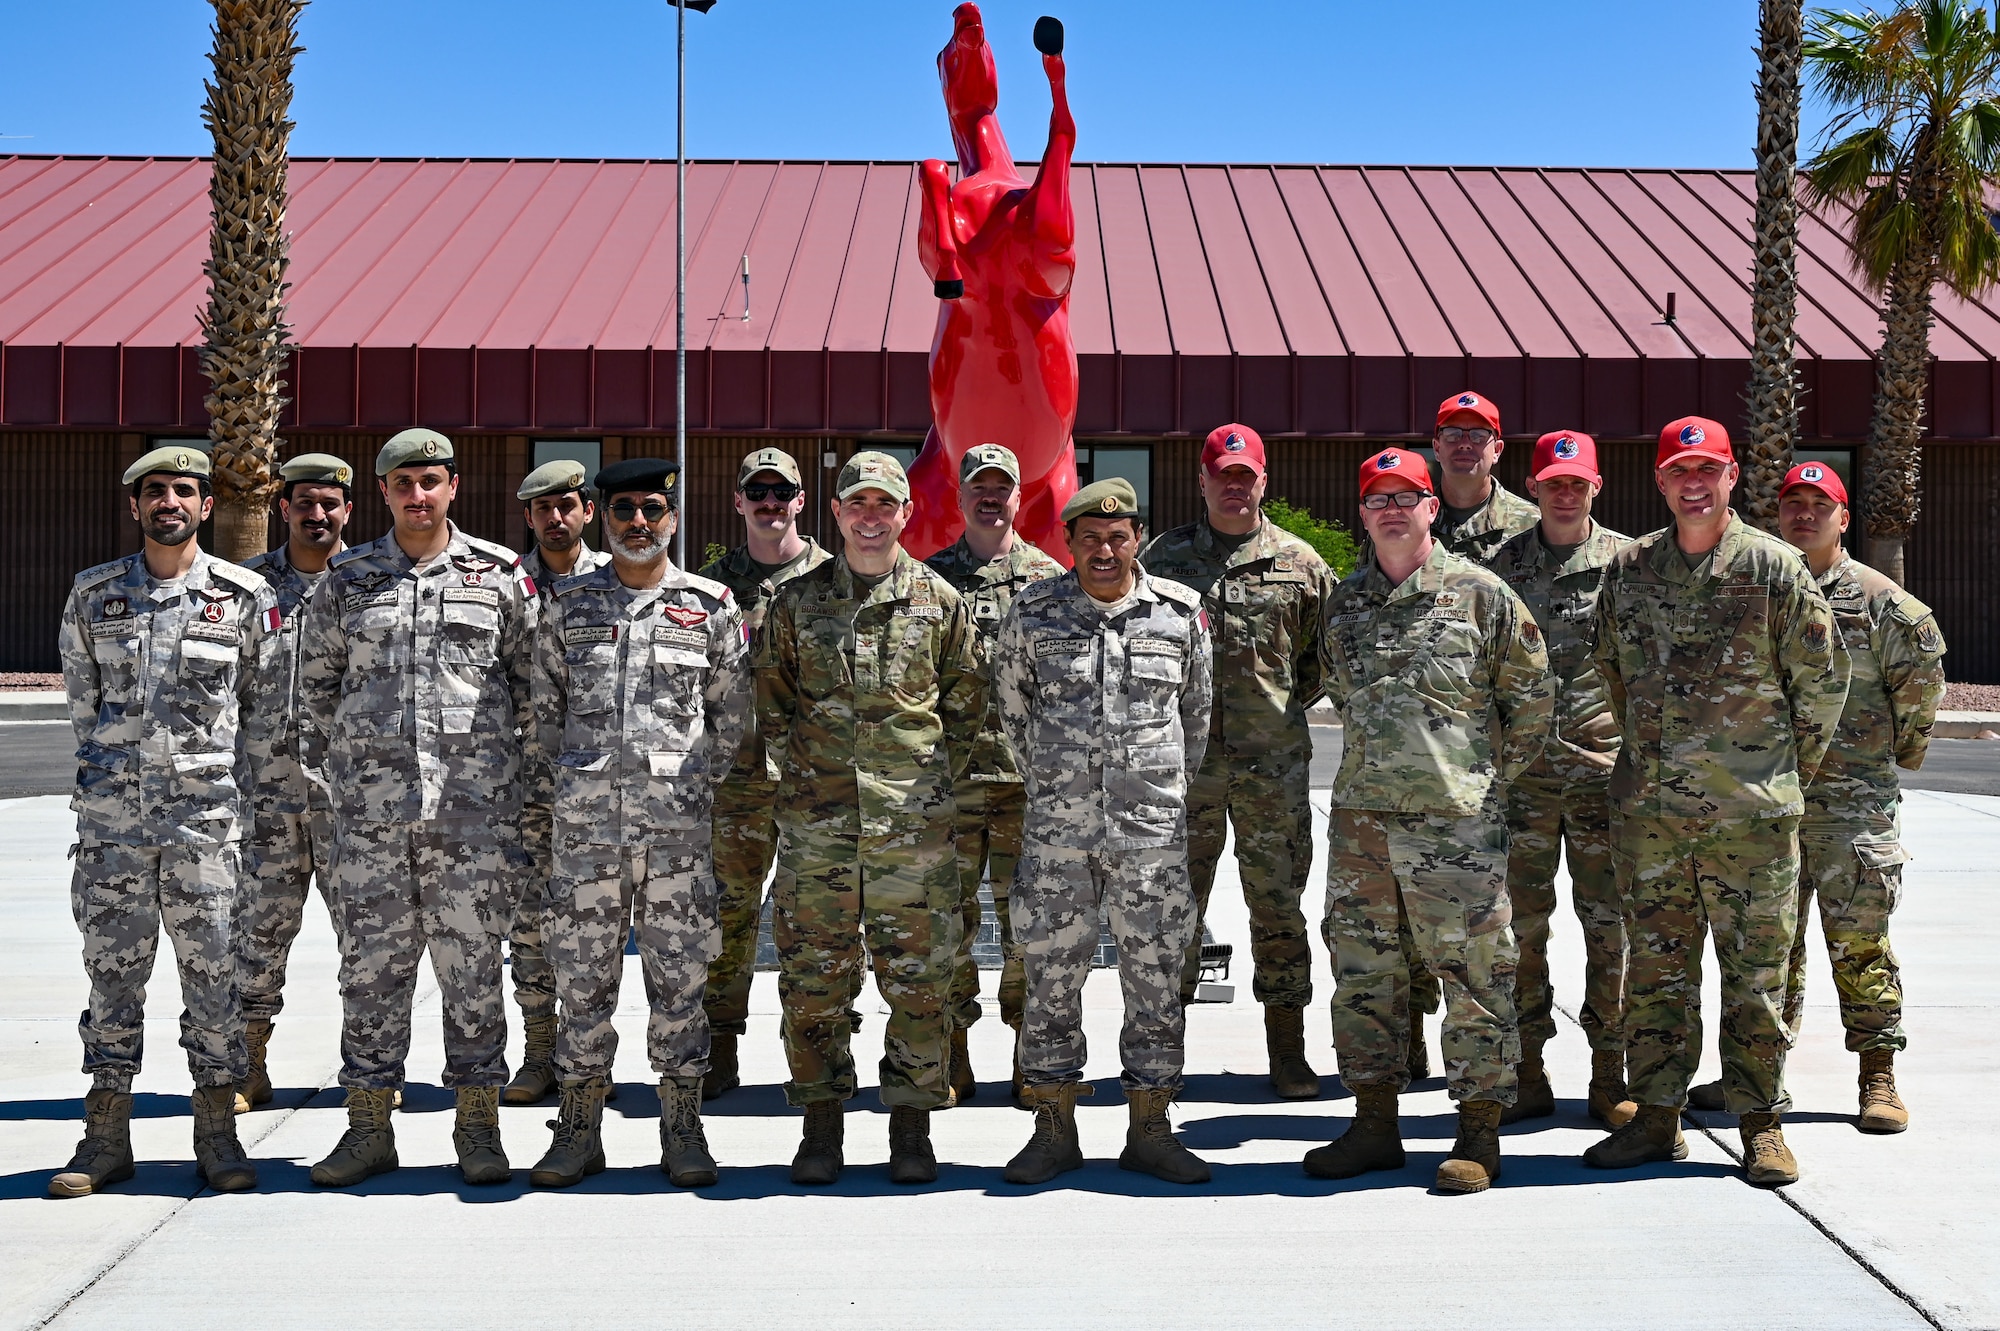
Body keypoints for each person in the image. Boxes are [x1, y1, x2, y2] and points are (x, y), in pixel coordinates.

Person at [1583, 418, 1847, 1188]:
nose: (1692, 482)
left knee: (1755, 976)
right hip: (1652, 819)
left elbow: (1822, 688)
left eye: (1707, 468)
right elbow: (1611, 672)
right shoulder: (1629, 569)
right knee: (1658, 975)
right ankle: (1657, 1120)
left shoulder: (1775, 568)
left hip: (1751, 821)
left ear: (1731, 476)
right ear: (1661, 482)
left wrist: (1771, 777)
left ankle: (1761, 1122)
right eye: (1677, 470)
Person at [1305, 447, 1552, 1195]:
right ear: (1363, 512)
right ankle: (1375, 1121)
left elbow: (1531, 702)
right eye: (1376, 497)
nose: (1391, 509)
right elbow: (1343, 696)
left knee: (1475, 975)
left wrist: (1476, 782)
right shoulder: (1344, 604)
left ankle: (1479, 1130)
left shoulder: (1482, 595)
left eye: (1405, 495)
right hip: (1362, 828)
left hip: (1456, 829)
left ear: (1431, 507)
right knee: (1363, 973)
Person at [298, 427, 540, 1188]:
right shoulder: (347, 580)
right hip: (370, 826)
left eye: (430, 480)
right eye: (403, 482)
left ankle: (478, 1127)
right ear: (383, 492)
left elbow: (535, 691)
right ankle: (368, 1127)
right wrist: (342, 792)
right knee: (369, 974)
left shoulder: (499, 575)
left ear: (453, 487)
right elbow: (313, 693)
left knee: (472, 973)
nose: (418, 494)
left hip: (472, 824)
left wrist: (508, 800)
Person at [1686, 462, 1945, 1133]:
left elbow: (1919, 701)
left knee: (1860, 944)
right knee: (1764, 950)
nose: (1804, 514)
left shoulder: (1883, 604)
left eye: (1819, 504)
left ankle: (1878, 1074)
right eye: (1792, 503)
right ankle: (1756, 1074)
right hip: (1767, 802)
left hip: (1850, 809)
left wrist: (1881, 768)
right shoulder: (1753, 589)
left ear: (1844, 516)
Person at [51, 444, 278, 1197]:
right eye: (155, 491)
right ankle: (105, 1137)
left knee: (213, 977)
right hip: (114, 829)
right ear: (135, 505)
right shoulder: (94, 594)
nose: (169, 502)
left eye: (184, 490)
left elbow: (260, 717)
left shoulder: (242, 597)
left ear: (207, 506)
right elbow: (84, 707)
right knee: (112, 979)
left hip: (205, 830)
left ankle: (217, 1131)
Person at [756, 451, 985, 1186]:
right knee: (814, 978)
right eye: (857, 502)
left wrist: (919, 794)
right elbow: (772, 703)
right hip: (820, 830)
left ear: (905, 513)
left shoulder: (940, 602)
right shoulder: (796, 604)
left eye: (884, 503)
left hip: (911, 835)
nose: (870, 516)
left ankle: (911, 1128)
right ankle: (821, 1125)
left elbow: (967, 707)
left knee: (919, 981)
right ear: (836, 510)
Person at [527, 459, 750, 1187]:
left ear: (673, 519)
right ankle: (578, 1127)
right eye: (624, 509)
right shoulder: (566, 605)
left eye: (653, 508)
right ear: (604, 516)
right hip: (587, 835)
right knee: (582, 980)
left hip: (675, 840)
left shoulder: (710, 605)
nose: (638, 522)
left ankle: (681, 1126)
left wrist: (684, 790)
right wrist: (584, 782)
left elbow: (731, 718)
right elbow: (544, 715)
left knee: (680, 983)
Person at [994, 478, 1216, 1185]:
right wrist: (1061, 791)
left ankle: (1151, 1127)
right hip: (1059, 838)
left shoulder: (1179, 614)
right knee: (1051, 979)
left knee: (1154, 979)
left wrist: (1152, 793)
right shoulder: (1033, 612)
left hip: (1150, 839)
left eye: (1117, 536)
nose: (1104, 549)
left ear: (1137, 538)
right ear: (1069, 543)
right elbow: (1012, 715)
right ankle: (1053, 1127)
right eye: (1089, 537)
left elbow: (1197, 719)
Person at [1144, 423, 1335, 1100]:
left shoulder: (1302, 565)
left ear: (1263, 480)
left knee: (1278, 908)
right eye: (1221, 474)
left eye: (1244, 474)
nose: (1234, 485)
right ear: (1201, 480)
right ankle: (1160, 1056)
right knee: (1171, 912)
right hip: (1183, 770)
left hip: (1272, 769)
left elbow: (1318, 663)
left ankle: (1287, 1049)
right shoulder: (1162, 561)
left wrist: (1267, 712)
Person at [1487, 432, 1635, 1129]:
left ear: (1595, 486)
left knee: (1612, 930)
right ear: (1536, 486)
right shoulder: (1500, 568)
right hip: (1525, 781)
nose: (1565, 493)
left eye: (1577, 482)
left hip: (1607, 778)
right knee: (1519, 932)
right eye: (1553, 482)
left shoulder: (1630, 565)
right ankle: (1526, 1070)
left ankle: (1611, 1073)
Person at [1399, 390, 1543, 1080]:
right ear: (1435, 444)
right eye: (1451, 432)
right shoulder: (1403, 513)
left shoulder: (1530, 528)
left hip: (1507, 766)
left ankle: (1522, 1065)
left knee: (1502, 927)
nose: (1464, 444)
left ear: (1498, 447)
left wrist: (1505, 765)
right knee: (1408, 917)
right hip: (1420, 767)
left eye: (1477, 433)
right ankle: (1407, 1053)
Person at [924, 442, 1064, 1103]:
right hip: (948, 785)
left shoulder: (1051, 581)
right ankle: (953, 1050)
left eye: (1001, 486)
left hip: (1025, 787)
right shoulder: (928, 580)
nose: (990, 496)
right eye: (977, 485)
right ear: (959, 497)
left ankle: (1028, 1051)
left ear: (1018, 497)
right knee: (946, 925)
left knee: (1028, 928)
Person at [698, 448, 832, 1099]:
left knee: (815, 925)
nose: (771, 502)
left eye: (783, 491)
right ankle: (719, 1047)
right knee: (728, 921)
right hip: (737, 785)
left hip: (815, 787)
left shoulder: (836, 580)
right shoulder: (713, 587)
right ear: (739, 501)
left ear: (802, 500)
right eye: (759, 491)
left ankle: (813, 1057)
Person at [234, 452, 354, 1114]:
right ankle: (248, 1067)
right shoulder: (245, 587)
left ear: (347, 511)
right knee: (256, 937)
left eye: (329, 503)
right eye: (304, 502)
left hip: (351, 803)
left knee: (367, 944)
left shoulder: (370, 584)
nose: (317, 513)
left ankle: (369, 1071)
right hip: (266, 801)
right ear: (285, 509)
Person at [503, 459, 611, 1108]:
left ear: (587, 511)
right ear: (529, 516)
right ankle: (539, 1054)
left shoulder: (615, 581)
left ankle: (588, 1059)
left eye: (566, 504)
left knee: (597, 932)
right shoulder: (505, 585)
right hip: (525, 790)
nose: (555, 516)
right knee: (533, 930)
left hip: (600, 788)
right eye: (542, 507)